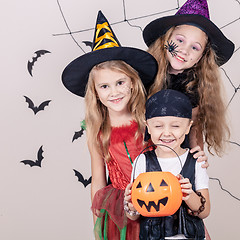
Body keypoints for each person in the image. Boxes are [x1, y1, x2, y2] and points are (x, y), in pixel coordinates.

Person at [62, 10, 158, 239]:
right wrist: (98, 226)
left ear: (133, 83)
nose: (114, 92)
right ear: (94, 92)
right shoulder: (97, 132)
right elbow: (98, 181)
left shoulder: (150, 119)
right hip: (122, 211)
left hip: (159, 197)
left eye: (120, 82)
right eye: (104, 86)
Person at [142, 0, 235, 155]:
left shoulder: (193, 88)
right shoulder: (143, 75)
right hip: (137, 154)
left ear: (202, 56)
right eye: (180, 40)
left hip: (175, 157)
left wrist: (197, 161)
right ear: (166, 39)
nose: (184, 51)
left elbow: (194, 128)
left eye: (194, 47)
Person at [124, 89, 210, 240]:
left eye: (175, 126)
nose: (167, 133)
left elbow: (205, 211)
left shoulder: (195, 161)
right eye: (158, 126)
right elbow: (133, 217)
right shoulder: (142, 161)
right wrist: (131, 205)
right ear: (148, 127)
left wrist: (189, 196)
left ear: (188, 127)